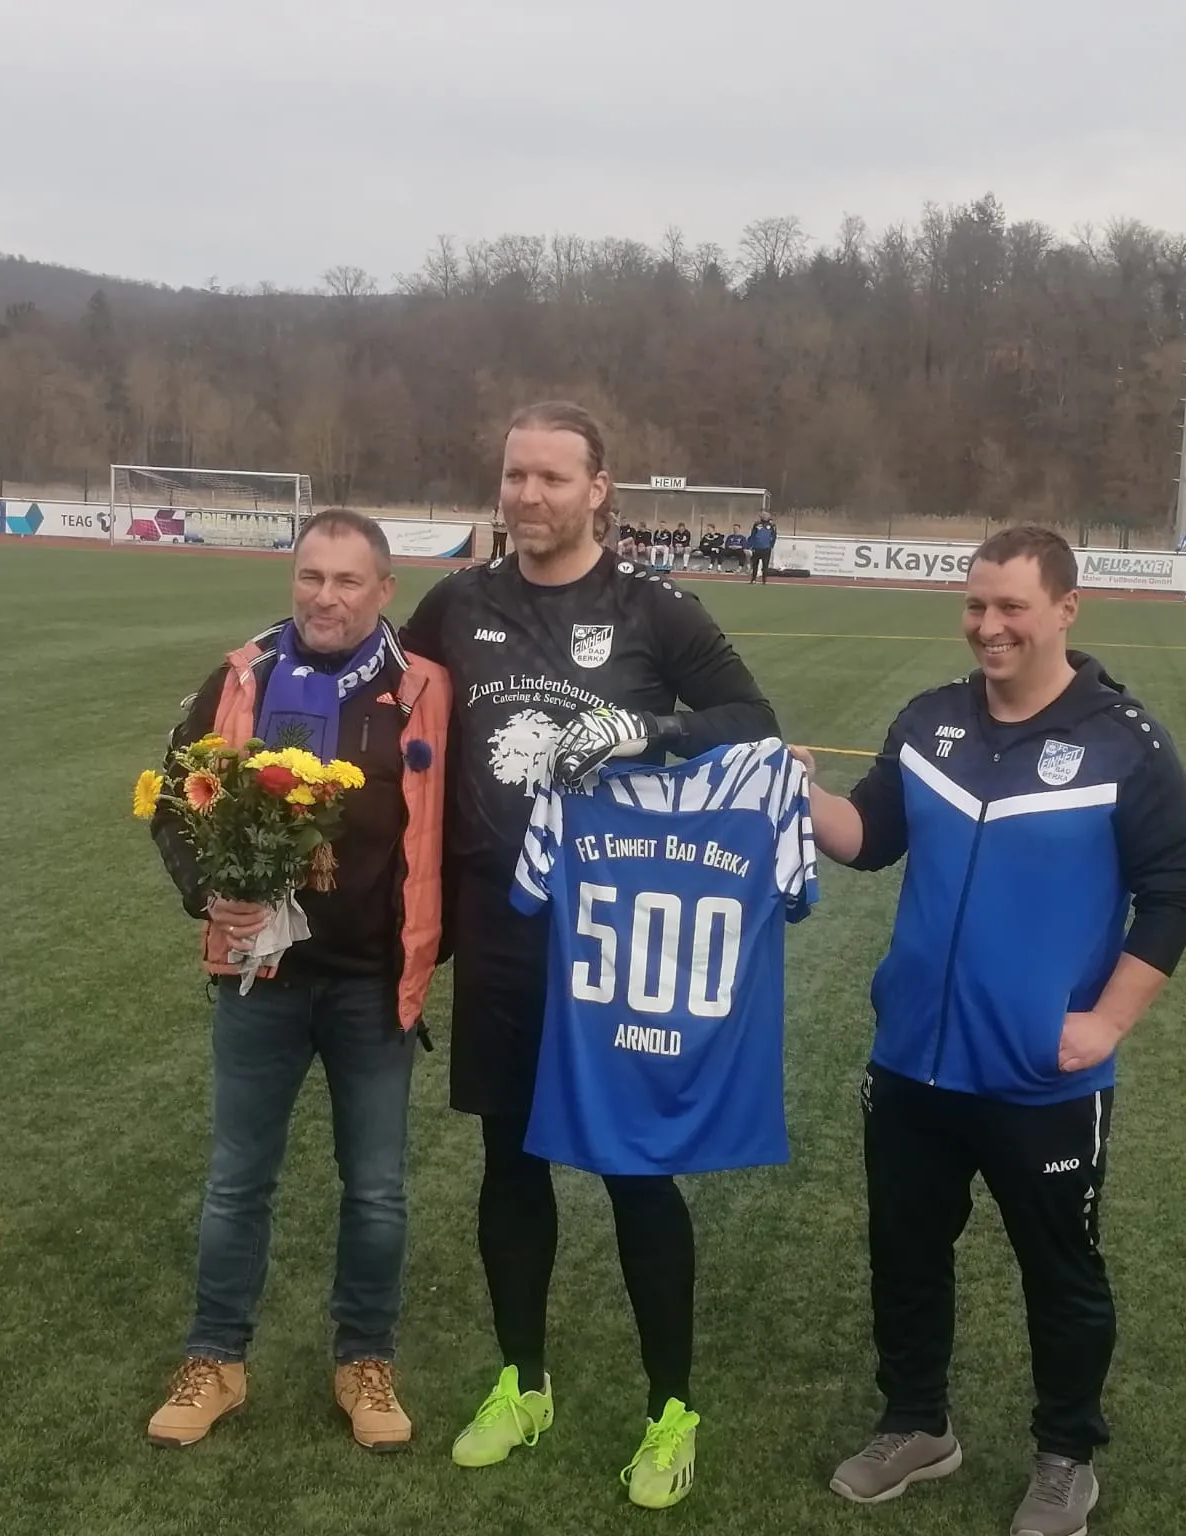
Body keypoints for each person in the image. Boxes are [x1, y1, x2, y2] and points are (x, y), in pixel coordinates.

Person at [402, 400, 777, 1509]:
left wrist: (653, 731)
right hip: (500, 931)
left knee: (634, 1172)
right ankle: (523, 1383)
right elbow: (395, 706)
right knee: (509, 1165)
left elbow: (749, 718)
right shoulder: (457, 602)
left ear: (598, 490)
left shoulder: (654, 610)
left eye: (552, 478)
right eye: (515, 475)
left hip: (612, 942)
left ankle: (671, 1410)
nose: (528, 495)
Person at [796, 526, 1186, 1534]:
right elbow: (869, 836)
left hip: (1041, 1077)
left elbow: (1174, 894)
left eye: (1011, 607)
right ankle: (916, 1425)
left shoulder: (1125, 741)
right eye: (976, 605)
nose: (989, 626)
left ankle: (1065, 1459)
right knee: (904, 1256)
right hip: (911, 1062)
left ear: (1065, 609)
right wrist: (798, 797)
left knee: (1060, 1276)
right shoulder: (929, 719)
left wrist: (1104, 1023)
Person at [144, 509, 449, 1454]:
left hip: (374, 986)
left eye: (348, 580)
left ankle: (365, 1360)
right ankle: (216, 1360)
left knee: (377, 1189)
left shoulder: (426, 689)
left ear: (384, 590)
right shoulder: (243, 675)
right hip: (260, 981)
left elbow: (468, 818)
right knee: (238, 1182)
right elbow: (172, 801)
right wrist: (207, 894)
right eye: (311, 576)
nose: (326, 597)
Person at [747, 513, 777, 584]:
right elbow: (753, 535)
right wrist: (751, 546)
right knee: (755, 564)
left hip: (766, 548)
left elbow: (774, 536)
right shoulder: (757, 524)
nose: (765, 517)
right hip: (756, 548)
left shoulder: (772, 525)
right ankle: (753, 579)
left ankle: (764, 580)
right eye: (763, 515)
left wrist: (771, 546)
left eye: (766, 516)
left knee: (765, 565)